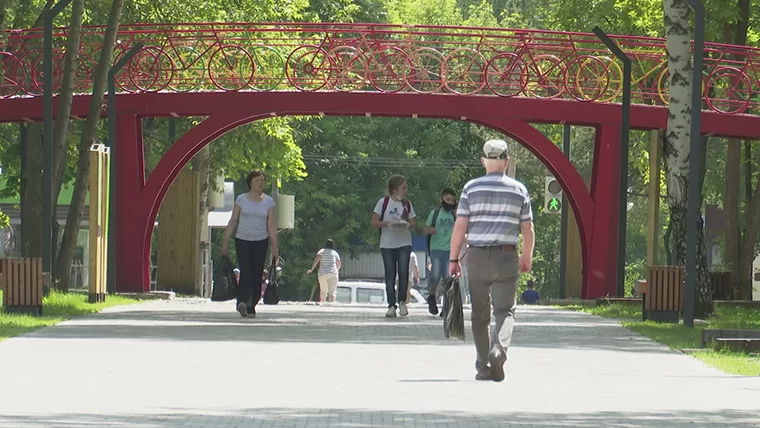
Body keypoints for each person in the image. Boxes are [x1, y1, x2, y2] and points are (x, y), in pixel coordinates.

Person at [449, 139, 534, 383]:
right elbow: (527, 228)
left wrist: (453, 259)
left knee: (479, 314)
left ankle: (484, 366)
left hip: (475, 255)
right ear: (507, 161)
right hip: (506, 255)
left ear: (483, 161)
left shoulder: (471, 189)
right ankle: (499, 349)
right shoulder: (518, 189)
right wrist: (526, 256)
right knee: (505, 310)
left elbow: (460, 227)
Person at [222, 170, 278, 318]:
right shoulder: (241, 199)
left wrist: (274, 247)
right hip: (243, 240)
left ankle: (252, 303)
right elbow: (233, 220)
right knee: (245, 270)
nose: (260, 183)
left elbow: (271, 225)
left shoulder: (268, 202)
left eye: (262, 180)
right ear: (250, 183)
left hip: (261, 241)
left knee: (257, 273)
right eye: (257, 180)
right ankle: (242, 302)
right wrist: (226, 240)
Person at [371, 175, 416, 318]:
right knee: (390, 274)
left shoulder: (407, 204)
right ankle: (391, 305)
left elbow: (414, 222)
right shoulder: (383, 203)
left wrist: (407, 224)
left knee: (403, 272)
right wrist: (387, 224)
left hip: (404, 242)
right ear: (395, 189)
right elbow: (374, 222)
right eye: (403, 188)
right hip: (387, 244)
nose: (406, 191)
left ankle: (402, 301)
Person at [423, 188, 457, 315]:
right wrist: (430, 230)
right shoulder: (435, 214)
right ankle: (431, 296)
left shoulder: (454, 215)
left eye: (452, 201)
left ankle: (446, 305)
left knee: (447, 278)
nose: (450, 203)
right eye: (447, 200)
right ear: (441, 199)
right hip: (436, 249)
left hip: (449, 250)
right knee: (435, 275)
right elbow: (425, 229)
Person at [307, 239, 342, 304]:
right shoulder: (335, 253)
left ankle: (323, 305)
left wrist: (311, 269)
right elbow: (339, 263)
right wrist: (337, 270)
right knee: (332, 292)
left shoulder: (321, 251)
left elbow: (316, 260)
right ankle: (331, 305)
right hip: (332, 273)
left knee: (323, 291)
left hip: (322, 274)